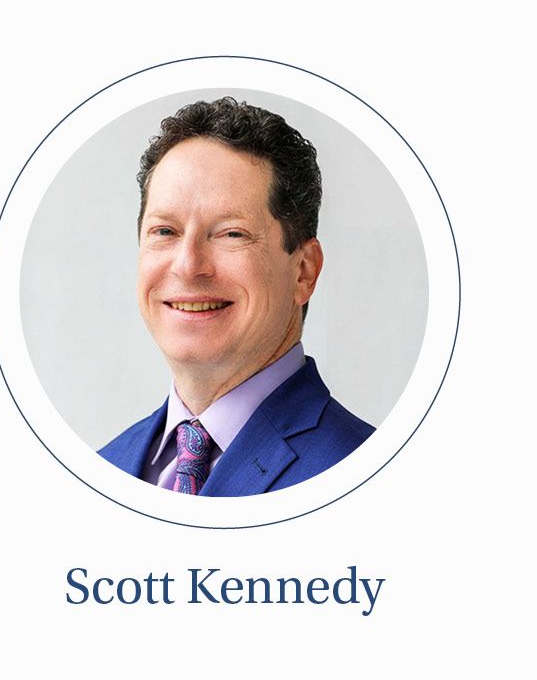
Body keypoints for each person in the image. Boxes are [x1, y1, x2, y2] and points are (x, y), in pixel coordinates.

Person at [98, 97, 373, 496]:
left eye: (231, 234)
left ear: (304, 270)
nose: (188, 265)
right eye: (165, 232)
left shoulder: (365, 475)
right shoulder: (104, 468)